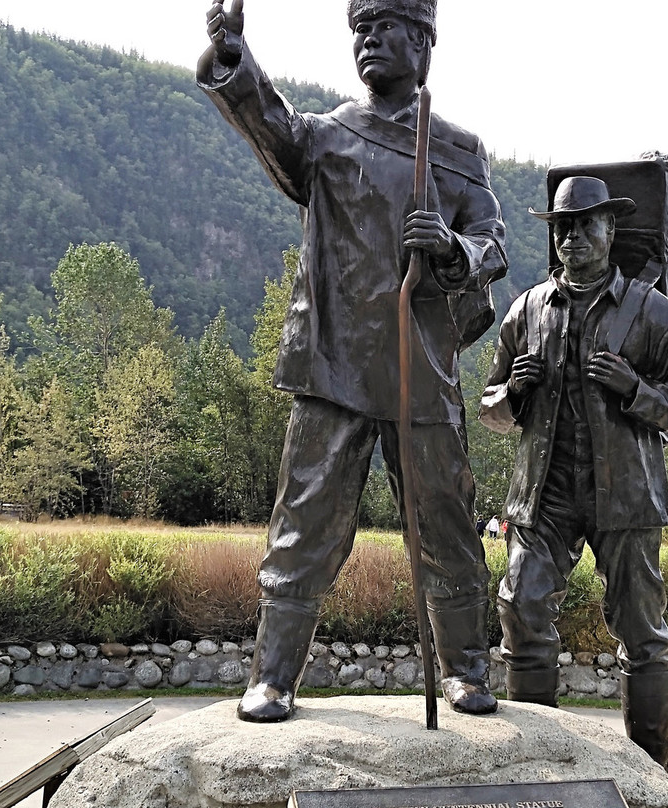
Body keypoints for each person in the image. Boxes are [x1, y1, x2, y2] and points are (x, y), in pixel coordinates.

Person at [197, 0, 507, 723]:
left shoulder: (457, 151)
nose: (368, 41)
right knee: (305, 521)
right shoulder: (328, 137)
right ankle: (273, 675)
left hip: (418, 368)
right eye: (359, 31)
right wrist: (236, 56)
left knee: (446, 523)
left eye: (384, 28)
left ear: (422, 42)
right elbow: (270, 125)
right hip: (333, 362)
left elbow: (492, 244)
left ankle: (465, 668)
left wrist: (452, 248)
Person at [478, 176, 668, 769]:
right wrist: (512, 393)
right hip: (544, 494)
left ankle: (651, 774)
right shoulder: (527, 309)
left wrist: (635, 389)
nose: (572, 236)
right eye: (562, 226)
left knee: (641, 628)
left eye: (584, 224)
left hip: (625, 494)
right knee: (521, 607)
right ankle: (536, 766)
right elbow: (489, 407)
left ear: (610, 229)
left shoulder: (652, 311)